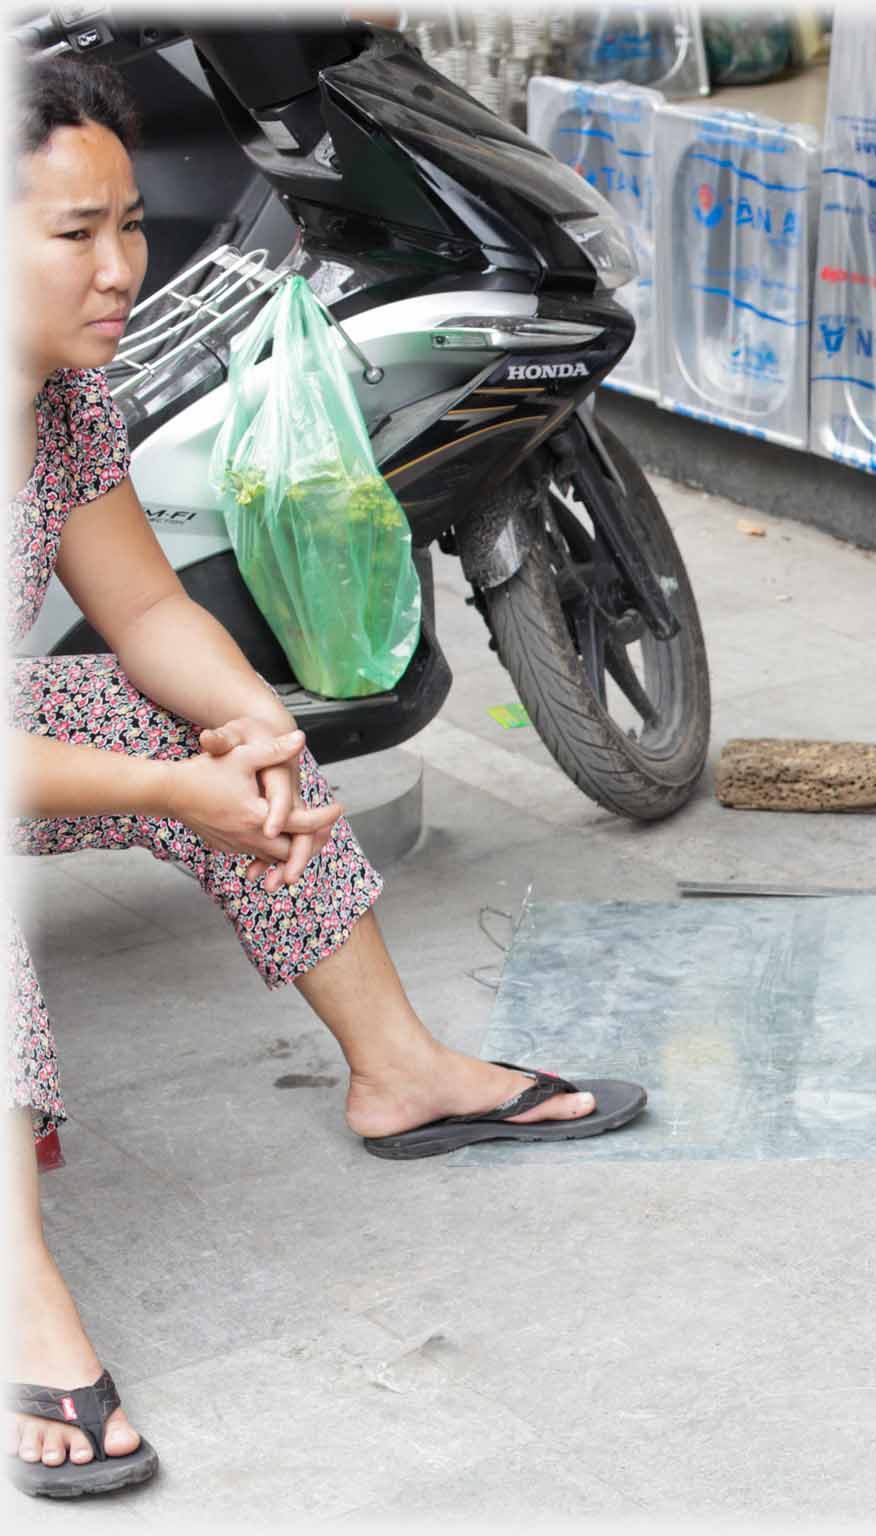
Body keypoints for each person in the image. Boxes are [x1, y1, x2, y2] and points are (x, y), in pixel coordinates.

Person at [5, 56, 645, 1498]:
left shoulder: (57, 402)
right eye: (73, 236)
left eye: (130, 224)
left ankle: (405, 1074)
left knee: (193, 727)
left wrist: (252, 738)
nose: (124, 268)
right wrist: (175, 796)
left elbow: (151, 614)